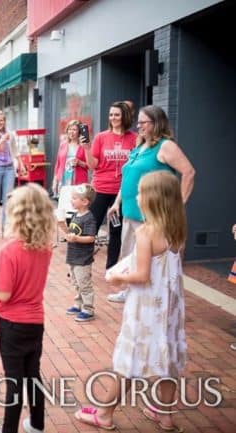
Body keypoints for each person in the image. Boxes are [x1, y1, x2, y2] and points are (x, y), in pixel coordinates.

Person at [75, 171, 187, 432]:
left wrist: (116, 277)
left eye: (141, 192)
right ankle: (165, 415)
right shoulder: (176, 230)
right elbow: (164, 270)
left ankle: (104, 414)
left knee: (127, 361)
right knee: (167, 360)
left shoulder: (147, 232)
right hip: (167, 311)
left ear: (154, 200)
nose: (136, 196)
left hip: (145, 310)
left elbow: (143, 274)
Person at [0, 183, 55, 433]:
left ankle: (8, 430)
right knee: (32, 374)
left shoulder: (8, 252)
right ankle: (36, 424)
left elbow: (4, 292)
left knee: (14, 379)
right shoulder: (44, 248)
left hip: (12, 324)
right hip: (35, 321)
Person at [106, 104, 195, 303]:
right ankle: (130, 291)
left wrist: (177, 207)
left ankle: (156, 297)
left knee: (154, 261)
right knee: (130, 255)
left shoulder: (165, 146)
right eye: (138, 122)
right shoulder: (140, 146)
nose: (138, 126)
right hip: (130, 212)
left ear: (156, 123)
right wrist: (116, 203)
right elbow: (127, 177)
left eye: (143, 122)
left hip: (152, 216)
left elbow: (189, 172)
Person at [81, 101, 137, 270]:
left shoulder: (134, 139)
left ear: (125, 116)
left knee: (116, 231)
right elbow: (92, 165)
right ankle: (82, 265)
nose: (113, 118)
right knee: (91, 226)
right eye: (111, 114)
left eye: (117, 115)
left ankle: (111, 268)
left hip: (120, 193)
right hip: (100, 189)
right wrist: (86, 148)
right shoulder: (101, 137)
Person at [0, 110, 28, 240]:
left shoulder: (11, 134)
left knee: (8, 200)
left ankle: (6, 227)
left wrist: (22, 164)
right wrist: (2, 140)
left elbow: (15, 151)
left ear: (4, 120)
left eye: (1, 120)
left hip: (9, 169)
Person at [62, 184, 97, 322]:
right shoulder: (76, 214)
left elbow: (91, 238)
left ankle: (88, 309)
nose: (72, 200)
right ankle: (79, 304)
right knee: (76, 282)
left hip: (83, 259)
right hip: (73, 256)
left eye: (75, 198)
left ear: (85, 201)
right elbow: (74, 231)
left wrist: (76, 238)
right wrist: (67, 233)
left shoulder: (89, 218)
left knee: (84, 283)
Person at [52, 120, 89, 195]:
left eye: (74, 130)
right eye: (69, 129)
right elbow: (58, 164)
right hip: (63, 180)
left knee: (76, 204)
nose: (71, 132)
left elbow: (89, 165)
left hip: (78, 181)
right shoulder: (63, 145)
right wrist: (55, 181)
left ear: (79, 132)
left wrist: (79, 162)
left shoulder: (84, 146)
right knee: (64, 204)